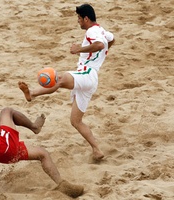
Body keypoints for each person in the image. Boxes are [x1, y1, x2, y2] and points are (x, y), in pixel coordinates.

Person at [18, 3, 115, 160]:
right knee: (76, 121)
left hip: (86, 74)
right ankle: (97, 150)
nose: (78, 21)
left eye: (79, 18)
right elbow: (110, 40)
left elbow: (99, 44)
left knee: (60, 79)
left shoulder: (92, 31)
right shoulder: (102, 30)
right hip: (90, 78)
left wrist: (79, 50)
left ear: (86, 18)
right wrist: (102, 55)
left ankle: (33, 94)